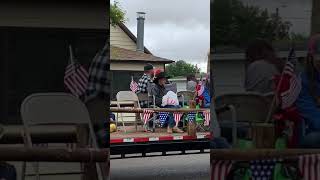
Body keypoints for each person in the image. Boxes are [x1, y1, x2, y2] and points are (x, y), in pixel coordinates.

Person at [296, 34, 320, 148]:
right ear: (310, 57)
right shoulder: (303, 81)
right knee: (315, 139)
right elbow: (314, 117)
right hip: (313, 132)